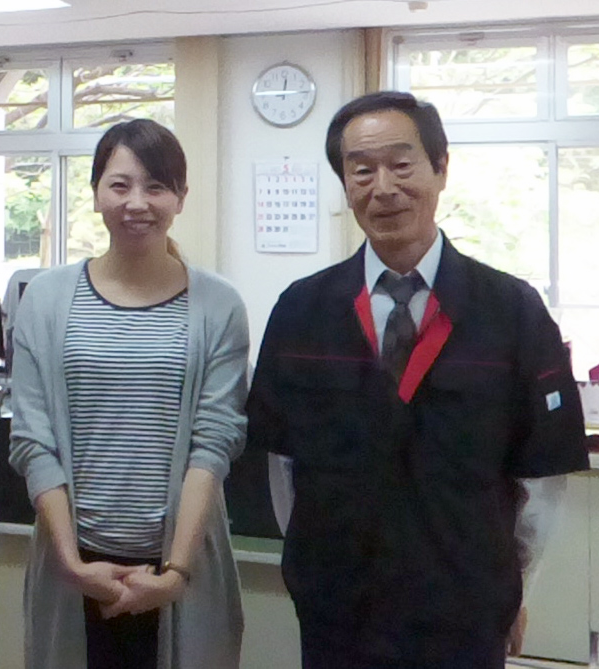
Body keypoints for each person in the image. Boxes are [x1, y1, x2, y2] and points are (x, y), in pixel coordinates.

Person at [246, 91, 588, 669]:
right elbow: (284, 469)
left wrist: (514, 585)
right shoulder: (302, 311)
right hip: (338, 613)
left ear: (440, 168)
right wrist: (317, 566)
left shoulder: (511, 310)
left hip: (465, 608)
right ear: (345, 184)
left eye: (401, 164)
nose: (383, 188)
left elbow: (540, 479)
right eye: (362, 170)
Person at [9, 118, 248, 669]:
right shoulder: (45, 299)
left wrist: (176, 573)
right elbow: (33, 439)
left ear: (180, 197)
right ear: (96, 192)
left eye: (156, 186)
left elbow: (213, 443)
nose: (136, 202)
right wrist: (71, 564)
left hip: (181, 567)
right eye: (119, 185)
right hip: (72, 566)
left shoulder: (219, 305)